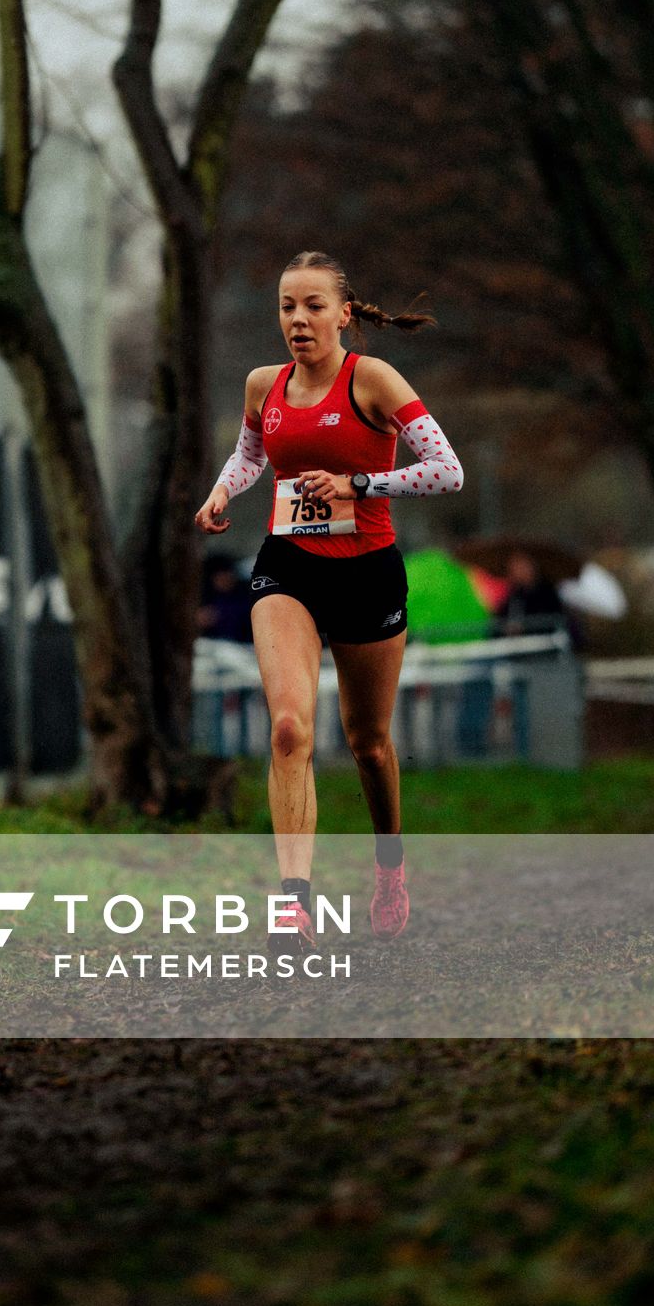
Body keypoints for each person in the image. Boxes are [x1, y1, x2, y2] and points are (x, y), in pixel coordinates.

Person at [195, 249, 464, 942]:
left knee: (369, 743)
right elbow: (252, 452)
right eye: (287, 306)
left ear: (344, 314)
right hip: (289, 566)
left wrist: (363, 486)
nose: (298, 319)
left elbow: (448, 471)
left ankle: (390, 865)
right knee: (288, 727)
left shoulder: (371, 379)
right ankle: (292, 903)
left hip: (367, 571)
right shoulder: (264, 384)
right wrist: (226, 488)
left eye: (314, 305)